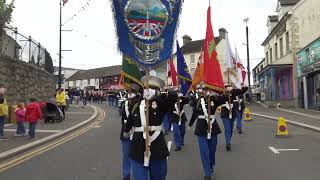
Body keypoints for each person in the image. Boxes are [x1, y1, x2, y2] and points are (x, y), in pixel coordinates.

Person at [123, 76, 175, 180]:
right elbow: (129, 122)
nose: (149, 90)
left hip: (157, 147)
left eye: (153, 88)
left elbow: (173, 96)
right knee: (139, 177)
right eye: (148, 87)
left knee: (158, 176)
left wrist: (157, 95)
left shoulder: (160, 104)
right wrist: (126, 132)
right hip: (138, 147)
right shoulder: (137, 105)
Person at [189, 84, 226, 180]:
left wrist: (219, 91)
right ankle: (207, 173)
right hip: (201, 128)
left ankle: (210, 164)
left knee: (212, 150)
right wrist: (190, 124)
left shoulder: (215, 100)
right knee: (204, 151)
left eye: (207, 89)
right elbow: (194, 113)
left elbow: (225, 97)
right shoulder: (198, 101)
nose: (206, 91)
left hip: (213, 127)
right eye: (204, 90)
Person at [120, 83, 143, 180]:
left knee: (137, 156)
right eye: (129, 91)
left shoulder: (141, 103)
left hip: (138, 132)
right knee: (126, 155)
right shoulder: (123, 104)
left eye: (132, 92)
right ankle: (126, 175)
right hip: (126, 131)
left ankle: (138, 174)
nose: (130, 93)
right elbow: (123, 118)